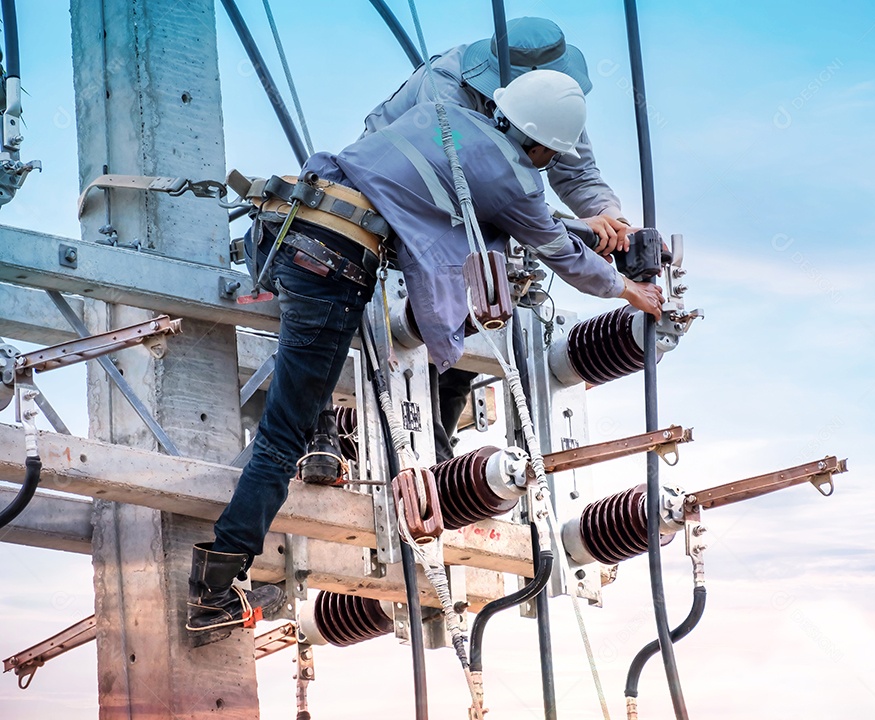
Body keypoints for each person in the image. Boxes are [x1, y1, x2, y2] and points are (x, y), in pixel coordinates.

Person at [186, 70, 664, 644]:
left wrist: (583, 226)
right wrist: (628, 289)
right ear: (544, 148)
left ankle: (322, 439)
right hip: (335, 261)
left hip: (283, 225)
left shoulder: (445, 115)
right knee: (281, 435)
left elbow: (464, 195)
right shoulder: (517, 179)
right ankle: (213, 590)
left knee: (300, 395)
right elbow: (553, 247)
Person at [360, 16, 635, 462]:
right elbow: (472, 179)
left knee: (474, 322)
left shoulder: (553, 101)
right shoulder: (445, 87)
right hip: (399, 207)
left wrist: (609, 217)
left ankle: (441, 457)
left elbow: (576, 171)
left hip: (473, 219)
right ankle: (421, 453)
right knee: (431, 311)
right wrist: (559, 230)